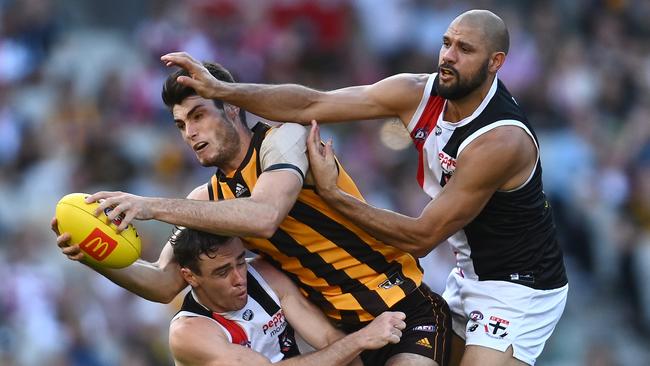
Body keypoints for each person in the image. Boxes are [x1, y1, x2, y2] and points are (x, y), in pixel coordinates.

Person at [158, 9, 568, 366]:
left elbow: (422, 237)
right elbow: (310, 104)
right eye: (446, 43)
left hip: (519, 285)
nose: (448, 56)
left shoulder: (500, 141)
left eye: (464, 50)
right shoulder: (416, 91)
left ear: (496, 62)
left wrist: (335, 196)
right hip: (468, 273)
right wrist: (226, 91)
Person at [53, 61, 451, 365]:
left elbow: (265, 215)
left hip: (401, 302)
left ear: (231, 109)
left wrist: (150, 205)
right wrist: (91, 253)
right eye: (180, 125)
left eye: (198, 115)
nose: (189, 132)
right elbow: (164, 283)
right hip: (334, 329)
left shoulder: (284, 139)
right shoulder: (205, 199)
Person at [167, 227, 406, 365]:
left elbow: (327, 337)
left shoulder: (262, 274)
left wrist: (355, 346)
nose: (240, 278)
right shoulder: (189, 332)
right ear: (190, 277)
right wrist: (360, 339)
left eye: (240, 261)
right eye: (222, 272)